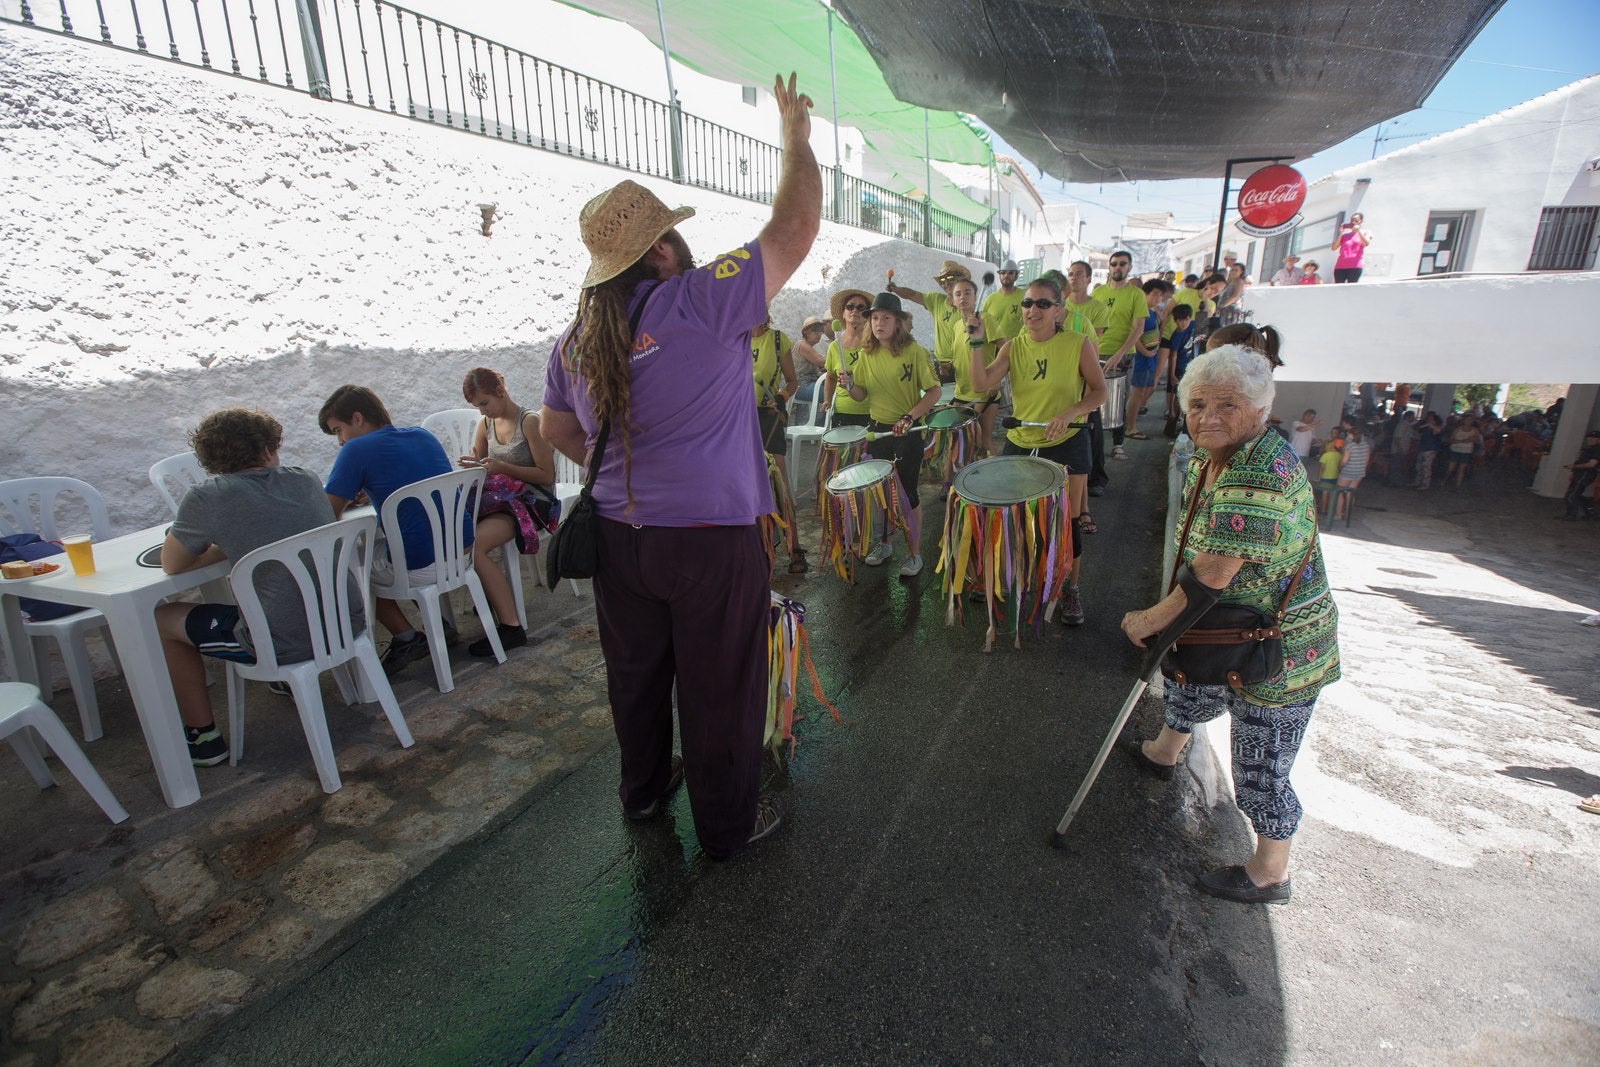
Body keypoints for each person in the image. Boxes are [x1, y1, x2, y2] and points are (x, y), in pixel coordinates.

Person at [538, 73, 820, 860]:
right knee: (720, 683)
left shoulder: (575, 337)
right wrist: (795, 140)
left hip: (623, 543)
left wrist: (626, 459)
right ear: (661, 248)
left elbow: (556, 426)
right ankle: (726, 826)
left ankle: (644, 793)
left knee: (636, 676)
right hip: (710, 537)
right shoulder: (697, 299)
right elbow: (795, 228)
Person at [1119, 345, 1340, 904]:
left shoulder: (1262, 470)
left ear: (1261, 411)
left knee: (1260, 758)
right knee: (1190, 685)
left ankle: (1270, 871)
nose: (1208, 416)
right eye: (1197, 404)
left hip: (1278, 645)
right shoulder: (1211, 452)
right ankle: (1166, 751)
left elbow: (1214, 572)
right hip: (1229, 625)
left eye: (1227, 405)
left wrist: (1149, 618)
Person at [154, 408, 346, 766]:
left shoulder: (207, 496)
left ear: (210, 457)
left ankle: (204, 737)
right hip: (344, 624)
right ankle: (285, 681)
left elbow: (171, 563)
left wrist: (215, 548)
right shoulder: (304, 479)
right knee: (273, 597)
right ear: (268, 446)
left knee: (162, 619)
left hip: (286, 640)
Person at [969, 275, 1108, 625]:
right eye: (1028, 303)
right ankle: (1015, 576)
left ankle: (1071, 591)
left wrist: (1070, 411)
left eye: (1043, 303)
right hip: (1021, 440)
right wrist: (974, 343)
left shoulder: (1078, 344)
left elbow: (1099, 391)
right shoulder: (1012, 347)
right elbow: (981, 384)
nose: (1033, 310)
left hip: (1068, 442)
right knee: (1008, 515)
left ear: (1058, 310)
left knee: (1068, 521)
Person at [319, 384, 460, 677]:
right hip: (460, 549)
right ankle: (435, 621)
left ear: (357, 418)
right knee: (387, 550)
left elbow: (327, 512)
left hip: (423, 562)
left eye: (337, 430)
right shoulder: (421, 434)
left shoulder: (356, 449)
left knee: (353, 566)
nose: (340, 442)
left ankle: (406, 637)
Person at [837, 291, 941, 576]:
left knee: (908, 495)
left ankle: (914, 553)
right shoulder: (866, 355)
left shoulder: (915, 353)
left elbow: (934, 391)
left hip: (906, 434)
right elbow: (861, 396)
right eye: (875, 318)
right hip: (878, 432)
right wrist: (848, 385)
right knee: (880, 495)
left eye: (886, 318)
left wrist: (909, 417)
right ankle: (884, 544)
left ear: (898, 322)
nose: (879, 323)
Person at [457, 367, 558, 656]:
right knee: (458, 534)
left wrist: (502, 467)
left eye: (485, 403)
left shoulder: (529, 421)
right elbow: (481, 465)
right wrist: (474, 465)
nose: (482, 411)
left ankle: (511, 628)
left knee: (473, 545)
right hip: (498, 499)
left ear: (500, 392)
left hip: (529, 502)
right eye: (477, 406)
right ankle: (488, 597)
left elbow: (546, 475)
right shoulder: (485, 424)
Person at [750, 312, 808, 575]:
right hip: (739, 418)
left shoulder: (777, 339)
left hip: (768, 416)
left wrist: (782, 396)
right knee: (747, 485)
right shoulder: (732, 338)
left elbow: (792, 381)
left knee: (780, 484)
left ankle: (794, 545)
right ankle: (759, 546)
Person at [1091, 250, 1148, 467]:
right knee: (1092, 399)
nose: (1117, 267)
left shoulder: (1136, 294)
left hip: (1122, 355)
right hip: (1096, 352)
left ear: (1129, 267)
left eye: (1122, 264)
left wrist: (1120, 353)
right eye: (1114, 264)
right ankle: (1094, 443)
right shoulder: (1098, 293)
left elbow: (1138, 328)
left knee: (1118, 401)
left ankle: (1118, 444)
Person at [886, 260, 970, 384]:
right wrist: (896, 289)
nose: (946, 283)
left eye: (950, 278)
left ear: (961, 279)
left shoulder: (969, 306)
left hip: (964, 363)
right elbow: (911, 294)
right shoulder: (936, 300)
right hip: (942, 365)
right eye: (942, 280)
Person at [949, 275, 1000, 455]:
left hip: (985, 392)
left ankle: (996, 480)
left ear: (976, 296)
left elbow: (1006, 349)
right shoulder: (956, 326)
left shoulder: (986, 319)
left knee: (983, 442)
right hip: (961, 391)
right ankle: (961, 480)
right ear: (953, 300)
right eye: (958, 294)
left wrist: (995, 381)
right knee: (960, 442)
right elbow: (961, 355)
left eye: (967, 293)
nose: (963, 297)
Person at [1124, 279, 1171, 440]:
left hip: (1149, 356)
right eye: (1155, 294)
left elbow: (1158, 332)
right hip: (1140, 357)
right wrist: (1144, 351)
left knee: (1143, 391)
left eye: (1161, 295)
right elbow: (1134, 334)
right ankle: (1130, 427)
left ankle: (1131, 423)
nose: (1158, 298)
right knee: (1137, 392)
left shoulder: (1152, 312)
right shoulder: (1140, 311)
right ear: (1145, 294)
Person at [823, 288, 873, 426]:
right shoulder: (834, 346)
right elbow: (831, 376)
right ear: (843, 314)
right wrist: (827, 400)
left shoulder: (875, 344)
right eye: (850, 306)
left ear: (868, 315)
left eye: (860, 307)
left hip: (871, 412)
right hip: (842, 412)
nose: (854, 310)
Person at [1559, 428, 1600, 520]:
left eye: (1594, 438)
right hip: (1580, 474)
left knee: (1571, 495)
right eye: (1589, 437)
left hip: (1585, 474)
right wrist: (1574, 472)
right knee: (1576, 494)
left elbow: (1591, 464)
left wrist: (1574, 467)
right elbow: (1580, 460)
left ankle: (1572, 515)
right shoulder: (1587, 449)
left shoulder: (1597, 450)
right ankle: (1590, 512)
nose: (1590, 439)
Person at [980, 259, 1025, 343]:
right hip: (994, 350)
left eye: (1010, 273)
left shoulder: (1024, 298)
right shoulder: (990, 300)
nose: (1006, 275)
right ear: (999, 276)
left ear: (1016, 276)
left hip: (1017, 348)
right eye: (1003, 273)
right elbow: (983, 325)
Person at [1335, 424, 1370, 520]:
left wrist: (1339, 467)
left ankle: (1338, 514)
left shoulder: (1349, 446)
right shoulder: (1366, 445)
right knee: (1350, 492)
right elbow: (1367, 460)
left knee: (1340, 492)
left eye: (1348, 434)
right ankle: (1348, 514)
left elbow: (1344, 461)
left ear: (1351, 435)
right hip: (1359, 472)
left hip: (1348, 471)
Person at [792, 316, 828, 404]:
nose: (819, 334)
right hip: (801, 386)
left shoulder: (807, 346)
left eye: (820, 331)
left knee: (830, 390)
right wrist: (836, 360)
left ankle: (822, 418)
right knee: (831, 394)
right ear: (806, 332)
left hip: (806, 384)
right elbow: (821, 361)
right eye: (815, 330)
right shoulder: (802, 345)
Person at [1331, 213, 1371, 283]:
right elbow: (1334, 248)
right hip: (1340, 266)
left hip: (1355, 266)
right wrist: (1341, 233)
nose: (1353, 222)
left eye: (1356, 220)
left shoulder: (1366, 232)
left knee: (1351, 288)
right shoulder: (1345, 236)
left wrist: (1358, 231)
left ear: (1361, 221)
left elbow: (1366, 243)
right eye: (1352, 220)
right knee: (1338, 288)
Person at [1446, 416, 1481, 488]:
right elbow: (1451, 440)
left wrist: (1473, 439)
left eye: (1471, 420)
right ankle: (1445, 479)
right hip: (1455, 450)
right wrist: (1459, 441)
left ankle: (1458, 485)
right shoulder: (1458, 429)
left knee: (1462, 469)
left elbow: (1478, 441)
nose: (1469, 421)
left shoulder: (1475, 430)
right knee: (1451, 468)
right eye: (1468, 420)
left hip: (1466, 451)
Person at [1413, 412, 1445, 489]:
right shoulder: (1426, 428)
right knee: (1419, 466)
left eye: (1430, 419)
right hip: (1422, 448)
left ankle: (1425, 484)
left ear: (1435, 421)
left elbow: (1438, 431)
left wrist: (1430, 425)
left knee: (1426, 467)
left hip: (1430, 450)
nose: (1428, 420)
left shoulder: (1437, 428)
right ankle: (1417, 481)